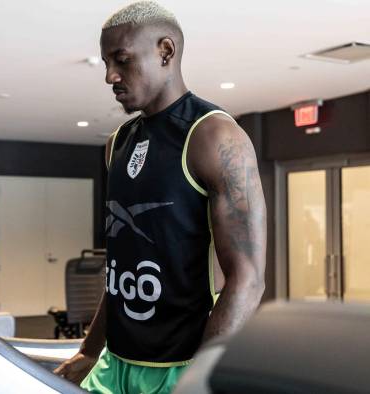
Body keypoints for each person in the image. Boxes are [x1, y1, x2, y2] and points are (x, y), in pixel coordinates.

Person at [54, 2, 267, 393]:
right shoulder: (117, 143)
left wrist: (198, 377)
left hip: (181, 367)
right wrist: (90, 349)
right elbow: (121, 265)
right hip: (114, 360)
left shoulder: (215, 137)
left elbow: (248, 280)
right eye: (105, 62)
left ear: (165, 51)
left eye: (121, 60)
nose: (109, 76)